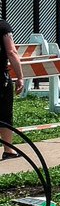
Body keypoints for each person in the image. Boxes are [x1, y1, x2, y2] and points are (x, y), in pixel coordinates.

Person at [1, 18, 25, 159]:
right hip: (0, 78)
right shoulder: (3, 26)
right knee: (4, 113)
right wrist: (20, 76)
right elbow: (11, 52)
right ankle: (8, 150)